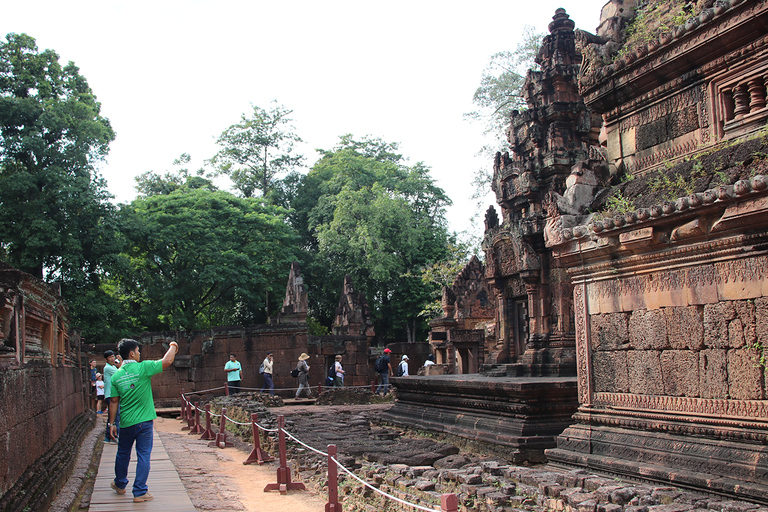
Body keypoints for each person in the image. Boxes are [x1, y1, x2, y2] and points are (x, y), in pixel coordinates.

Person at [109, 338, 178, 502]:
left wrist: (111, 423)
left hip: (126, 422)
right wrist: (173, 346)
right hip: (144, 422)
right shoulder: (143, 368)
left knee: (123, 454)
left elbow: (113, 401)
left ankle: (120, 484)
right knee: (144, 455)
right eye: (138, 351)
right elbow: (167, 360)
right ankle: (140, 491)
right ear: (132, 353)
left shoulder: (116, 376)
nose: (140, 354)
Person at [103, 350, 121, 443]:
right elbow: (120, 374)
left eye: (113, 356)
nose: (112, 358)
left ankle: (107, 437)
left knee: (112, 416)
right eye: (110, 357)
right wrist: (121, 361)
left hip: (112, 394)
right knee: (116, 416)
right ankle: (115, 436)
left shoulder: (112, 367)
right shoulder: (108, 368)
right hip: (111, 395)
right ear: (106, 359)